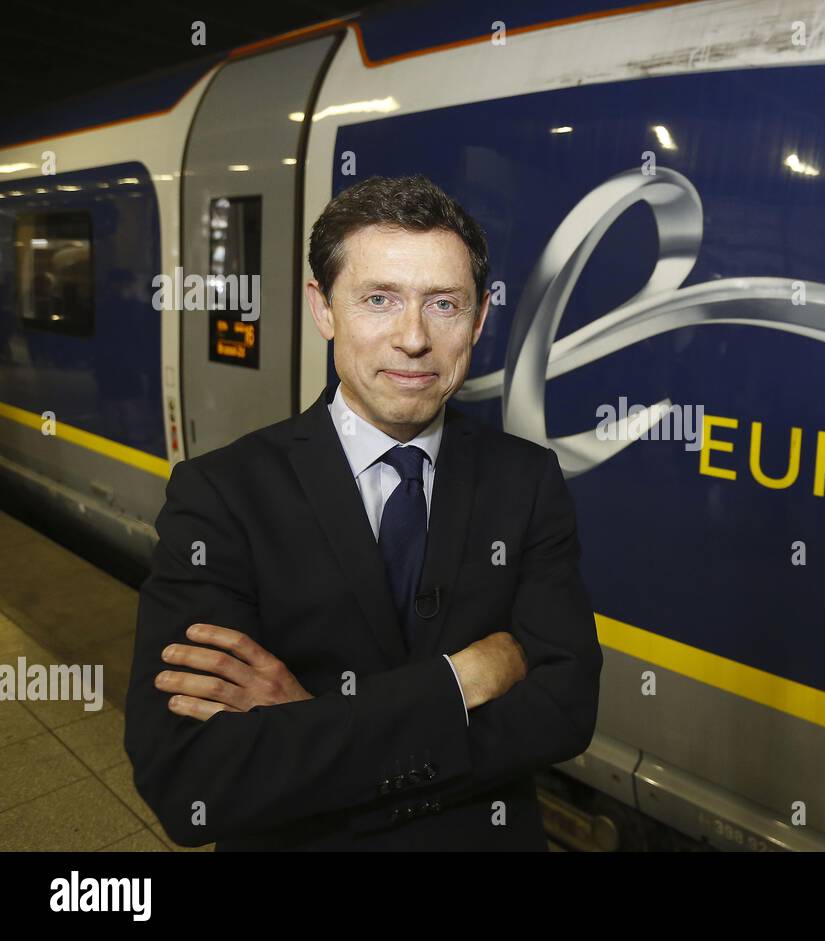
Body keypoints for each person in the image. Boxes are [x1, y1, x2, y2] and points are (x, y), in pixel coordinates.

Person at [124, 175, 602, 850]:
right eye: (379, 299)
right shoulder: (221, 496)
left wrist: (313, 729)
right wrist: (458, 683)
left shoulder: (527, 482)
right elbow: (189, 780)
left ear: (481, 318)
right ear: (324, 309)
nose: (413, 338)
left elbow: (565, 710)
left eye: (444, 304)